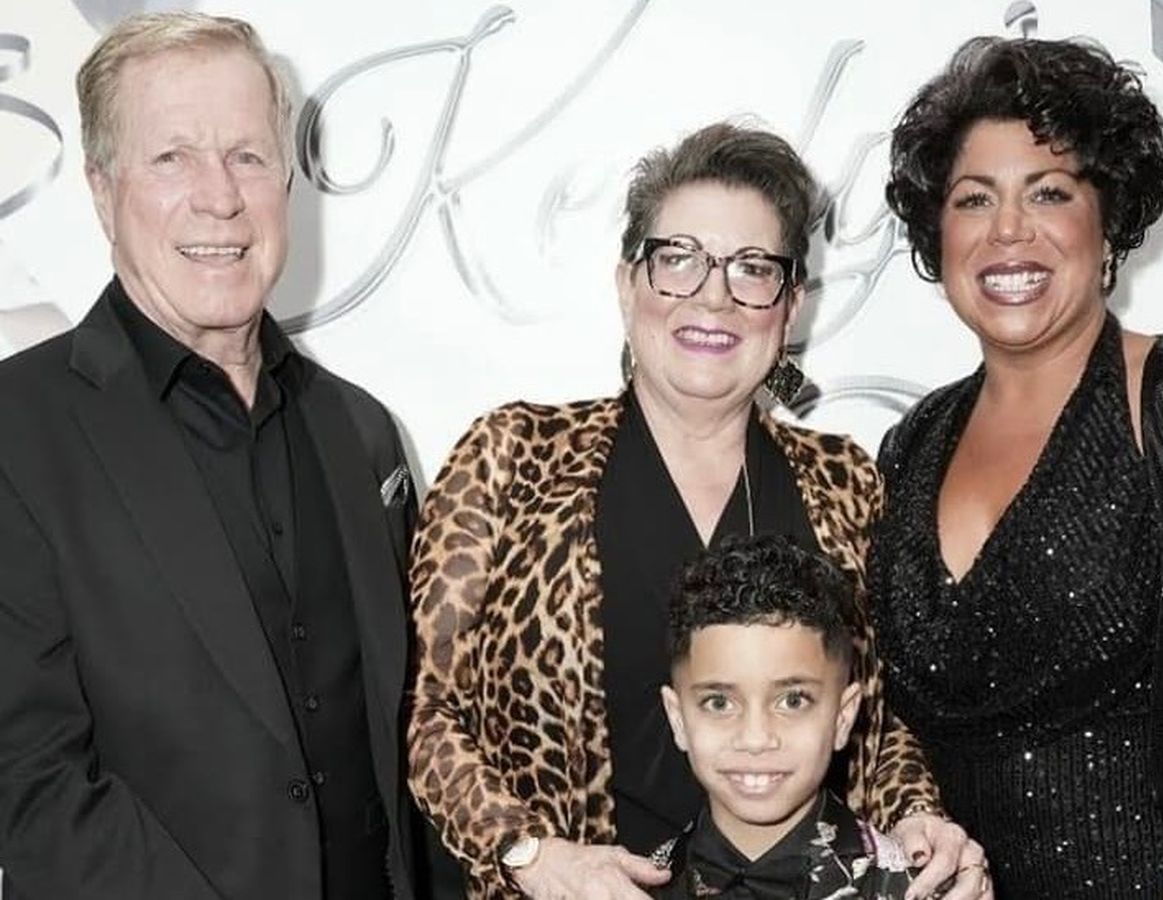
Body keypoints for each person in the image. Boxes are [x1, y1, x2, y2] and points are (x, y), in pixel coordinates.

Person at [407, 122, 988, 899]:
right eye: (678, 259)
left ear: (790, 305)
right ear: (628, 284)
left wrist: (918, 815)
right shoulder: (512, 457)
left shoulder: (846, 483)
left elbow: (879, 726)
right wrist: (529, 855)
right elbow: (425, 709)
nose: (714, 296)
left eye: (752, 268)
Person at [0, 13, 420, 899]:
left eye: (248, 155)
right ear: (101, 189)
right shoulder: (16, 431)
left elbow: (405, 742)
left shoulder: (362, 432)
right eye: (172, 157)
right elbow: (29, 784)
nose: (220, 197)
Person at [873, 35, 1163, 897]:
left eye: (1049, 191)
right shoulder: (912, 444)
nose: (1008, 230)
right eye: (974, 199)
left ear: (1108, 220)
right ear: (939, 232)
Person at [653, 533, 925, 899]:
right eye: (719, 703)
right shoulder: (630, 890)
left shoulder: (918, 890)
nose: (755, 739)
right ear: (678, 719)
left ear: (843, 717)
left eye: (793, 701)